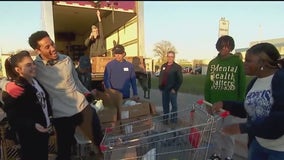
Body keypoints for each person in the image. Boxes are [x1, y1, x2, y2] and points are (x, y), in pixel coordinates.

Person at [0, 31, 104, 160]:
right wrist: (6, 85)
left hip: (81, 107)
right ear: (38, 50)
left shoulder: (66, 59)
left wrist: (86, 93)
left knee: (100, 142)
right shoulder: (35, 67)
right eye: (47, 47)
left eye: (52, 44)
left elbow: (76, 81)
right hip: (61, 116)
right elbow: (16, 76)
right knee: (65, 152)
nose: (53, 48)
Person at [211, 42, 284, 160]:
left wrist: (242, 128)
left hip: (279, 150)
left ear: (262, 63)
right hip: (257, 144)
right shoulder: (254, 82)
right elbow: (249, 108)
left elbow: (279, 120)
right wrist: (225, 104)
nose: (244, 64)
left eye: (249, 61)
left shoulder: (280, 80)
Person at [1, 50, 53, 160]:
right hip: (29, 136)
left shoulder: (35, 81)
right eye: (28, 65)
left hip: (43, 132)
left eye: (33, 63)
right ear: (18, 69)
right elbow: (13, 118)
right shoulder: (15, 89)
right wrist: (33, 125)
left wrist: (50, 119)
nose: (33, 67)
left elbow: (44, 104)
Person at [204, 35, 246, 160]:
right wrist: (208, 103)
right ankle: (216, 154)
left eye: (227, 46)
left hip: (231, 106)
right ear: (218, 46)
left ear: (231, 47)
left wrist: (239, 104)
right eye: (222, 46)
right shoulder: (213, 63)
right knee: (216, 132)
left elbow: (242, 83)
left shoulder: (237, 62)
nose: (225, 48)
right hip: (215, 104)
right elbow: (208, 84)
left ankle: (228, 155)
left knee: (229, 132)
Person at [158, 51, 183, 125]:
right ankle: (165, 120)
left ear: (174, 57)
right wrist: (160, 86)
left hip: (172, 90)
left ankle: (173, 120)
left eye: (171, 56)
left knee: (174, 106)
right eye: (168, 56)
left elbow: (180, 80)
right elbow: (161, 77)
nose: (170, 58)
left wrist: (175, 89)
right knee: (165, 105)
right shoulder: (163, 66)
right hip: (164, 89)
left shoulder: (177, 67)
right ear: (167, 57)